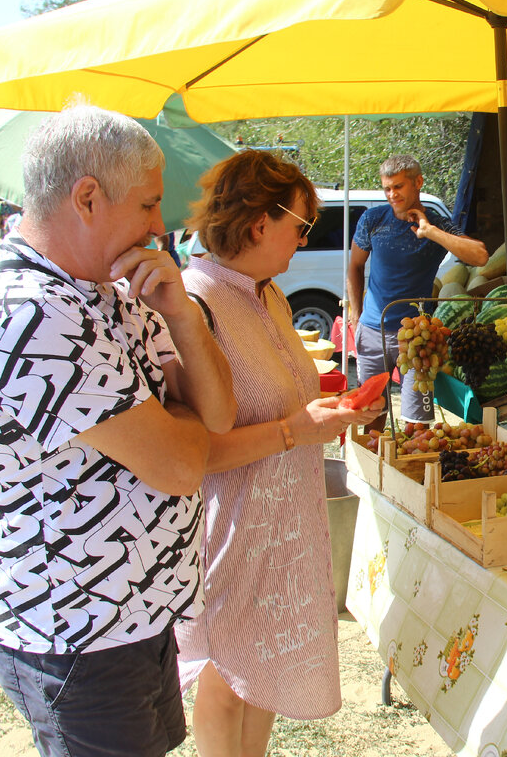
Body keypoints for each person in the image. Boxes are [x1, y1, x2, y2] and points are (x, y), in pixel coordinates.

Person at [0, 104, 237, 757]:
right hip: (77, 636)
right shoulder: (27, 312)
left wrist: (184, 318)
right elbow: (182, 464)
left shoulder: (106, 290)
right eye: (147, 205)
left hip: (131, 620)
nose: (159, 227)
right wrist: (176, 416)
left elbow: (217, 416)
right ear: (87, 197)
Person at [176, 150, 385, 757]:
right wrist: (299, 430)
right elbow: (196, 452)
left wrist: (339, 410)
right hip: (229, 528)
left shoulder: (270, 298)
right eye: (301, 225)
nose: (303, 238)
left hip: (285, 523)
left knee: (264, 670)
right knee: (226, 674)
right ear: (258, 222)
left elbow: (289, 401)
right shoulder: (193, 306)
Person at [347, 155, 487, 427]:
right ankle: (371, 467)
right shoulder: (373, 219)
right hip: (372, 332)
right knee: (370, 415)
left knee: (417, 423)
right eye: (387, 188)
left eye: (398, 187)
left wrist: (430, 232)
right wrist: (356, 313)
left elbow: (480, 256)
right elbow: (354, 266)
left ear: (418, 182)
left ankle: (410, 469)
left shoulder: (436, 225)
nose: (391, 194)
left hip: (417, 339)